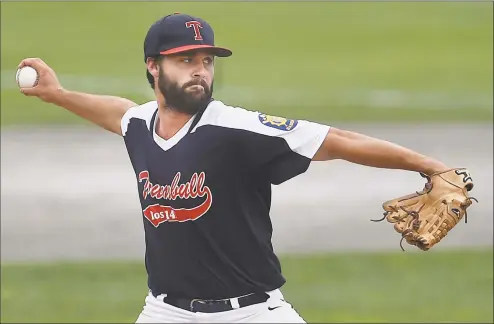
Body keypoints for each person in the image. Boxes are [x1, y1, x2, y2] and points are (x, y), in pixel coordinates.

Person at [18, 12, 453, 324]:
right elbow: (119, 112)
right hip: (165, 310)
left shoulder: (236, 127)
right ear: (153, 66)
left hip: (251, 312)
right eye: (186, 60)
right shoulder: (140, 125)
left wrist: (432, 166)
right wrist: (57, 95)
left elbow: (339, 141)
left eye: (206, 61)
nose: (200, 71)